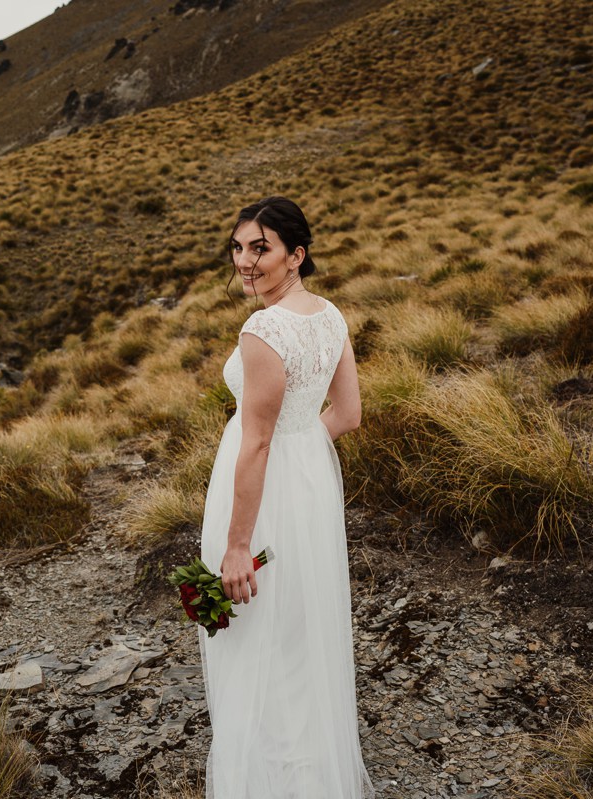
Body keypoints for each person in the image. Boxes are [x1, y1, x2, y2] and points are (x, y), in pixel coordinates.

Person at [197, 196, 375, 798]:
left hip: (263, 493)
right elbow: (347, 415)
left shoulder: (263, 329)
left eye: (261, 248)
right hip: (308, 486)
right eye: (239, 247)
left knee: (254, 633)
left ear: (296, 255)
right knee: (299, 630)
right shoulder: (330, 316)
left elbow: (254, 447)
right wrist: (301, 450)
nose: (245, 262)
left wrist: (238, 545)